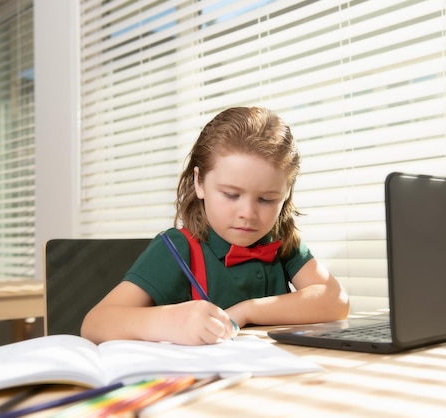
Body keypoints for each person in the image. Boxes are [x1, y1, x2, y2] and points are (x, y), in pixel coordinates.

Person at [81, 106, 350, 345]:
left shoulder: (280, 239)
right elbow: (94, 324)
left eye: (267, 199)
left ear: (286, 193)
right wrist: (169, 321)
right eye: (231, 195)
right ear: (199, 182)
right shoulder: (176, 248)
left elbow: (336, 301)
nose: (248, 213)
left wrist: (247, 310)